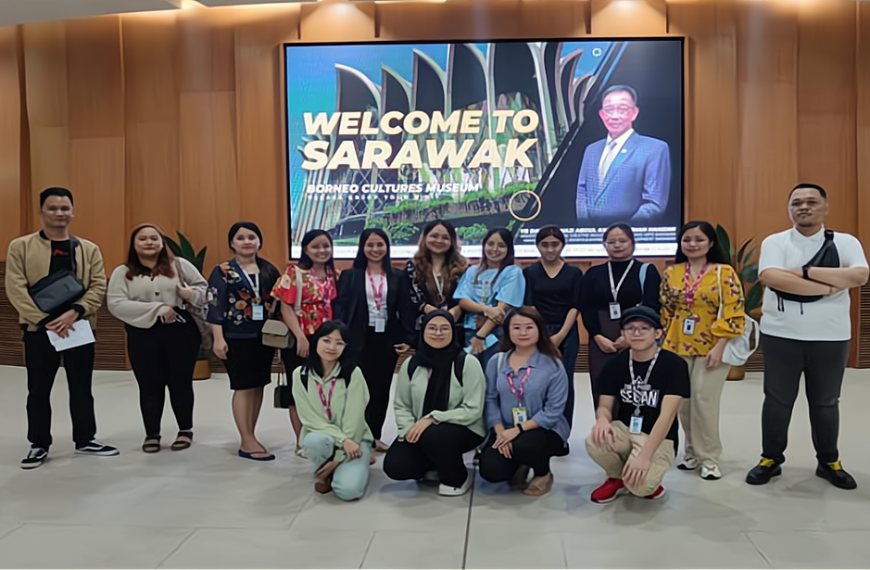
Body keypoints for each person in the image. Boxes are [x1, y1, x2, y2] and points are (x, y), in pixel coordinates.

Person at [746, 183, 868, 490]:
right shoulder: (776, 241)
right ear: (789, 209)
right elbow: (771, 277)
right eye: (797, 202)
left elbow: (858, 276)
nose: (804, 207)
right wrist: (828, 286)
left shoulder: (846, 241)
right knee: (776, 401)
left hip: (831, 336)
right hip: (781, 335)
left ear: (825, 207)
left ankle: (829, 461)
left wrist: (802, 272)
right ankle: (770, 459)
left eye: (812, 202)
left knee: (826, 402)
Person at [5, 187, 119, 469]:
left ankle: (85, 439)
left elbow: (97, 286)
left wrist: (75, 312)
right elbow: (15, 288)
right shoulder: (21, 246)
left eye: (64, 208)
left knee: (81, 387)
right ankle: (39, 443)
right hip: (39, 329)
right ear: (42, 212)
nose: (59, 213)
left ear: (73, 211)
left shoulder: (88, 249)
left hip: (77, 326)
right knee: (38, 389)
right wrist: (44, 321)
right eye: (53, 208)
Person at [107, 224, 205, 453]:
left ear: (162, 242)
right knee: (149, 385)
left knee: (180, 382)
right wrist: (158, 309)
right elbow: (116, 303)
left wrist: (191, 294)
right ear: (134, 244)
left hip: (181, 331)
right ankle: (152, 433)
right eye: (143, 239)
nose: (149, 242)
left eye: (154, 238)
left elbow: (205, 291)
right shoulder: (123, 272)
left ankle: (185, 430)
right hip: (142, 333)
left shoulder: (180, 265)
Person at [660, 221, 745, 481]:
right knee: (682, 403)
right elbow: (665, 310)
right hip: (675, 344)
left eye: (699, 239)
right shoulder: (671, 272)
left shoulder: (724, 272)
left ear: (710, 243)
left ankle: (709, 458)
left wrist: (720, 345)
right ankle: (692, 453)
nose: (692, 244)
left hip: (712, 345)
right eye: (687, 239)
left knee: (704, 401)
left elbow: (734, 309)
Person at [586, 306, 690, 503]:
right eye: (631, 328)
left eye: (644, 328)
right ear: (623, 334)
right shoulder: (615, 364)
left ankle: (638, 477)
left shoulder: (674, 365)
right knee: (595, 440)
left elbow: (666, 416)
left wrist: (645, 456)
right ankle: (617, 478)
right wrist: (602, 420)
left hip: (658, 436)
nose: (637, 333)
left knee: (641, 488)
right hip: (626, 428)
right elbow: (605, 406)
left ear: (658, 333)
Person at [383, 310, 486, 496]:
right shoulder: (412, 363)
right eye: (432, 328)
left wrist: (433, 418)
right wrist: (408, 431)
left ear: (453, 332)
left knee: (436, 436)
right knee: (396, 466)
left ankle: (457, 478)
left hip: (465, 427)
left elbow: (473, 410)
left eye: (444, 328)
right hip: (422, 430)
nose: (438, 333)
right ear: (423, 331)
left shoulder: (467, 362)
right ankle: (434, 464)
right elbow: (401, 404)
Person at [334, 228, 415, 452]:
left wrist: (409, 338)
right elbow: (340, 307)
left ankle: (374, 435)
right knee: (357, 388)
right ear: (362, 247)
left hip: (387, 338)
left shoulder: (397, 275)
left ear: (387, 247)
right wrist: (339, 336)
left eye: (380, 244)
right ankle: (355, 434)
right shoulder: (351, 275)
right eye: (370, 245)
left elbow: (406, 309)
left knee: (381, 389)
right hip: (358, 338)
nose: (375, 249)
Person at [206, 221, 281, 461]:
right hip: (235, 337)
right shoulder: (223, 271)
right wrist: (217, 338)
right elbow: (214, 306)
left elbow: (278, 306)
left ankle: (251, 433)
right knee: (243, 386)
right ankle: (246, 439)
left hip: (264, 337)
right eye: (241, 238)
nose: (247, 241)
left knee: (258, 385)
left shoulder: (270, 270)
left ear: (259, 241)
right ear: (232, 243)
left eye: (252, 237)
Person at [478, 307, 570, 496]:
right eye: (516, 328)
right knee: (491, 470)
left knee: (526, 443)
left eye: (529, 327)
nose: (523, 333)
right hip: (506, 429)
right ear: (508, 331)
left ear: (539, 330)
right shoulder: (497, 361)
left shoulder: (553, 364)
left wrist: (517, 430)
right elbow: (490, 399)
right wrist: (501, 432)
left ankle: (543, 473)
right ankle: (521, 462)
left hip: (545, 430)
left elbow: (553, 410)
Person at [272, 229, 338, 457]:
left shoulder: (332, 273)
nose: (322, 251)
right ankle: (301, 442)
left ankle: (323, 436)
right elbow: (285, 307)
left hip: (327, 341)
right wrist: (300, 336)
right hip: (300, 339)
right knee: (299, 390)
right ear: (306, 249)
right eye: (316, 246)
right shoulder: (295, 272)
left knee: (324, 389)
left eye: (326, 246)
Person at [580, 223, 661, 410]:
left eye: (622, 241)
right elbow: (586, 307)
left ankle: (634, 431)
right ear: (604, 244)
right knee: (602, 384)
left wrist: (628, 337)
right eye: (612, 241)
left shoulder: (646, 271)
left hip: (637, 333)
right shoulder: (593, 273)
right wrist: (597, 336)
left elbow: (652, 305)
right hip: (601, 336)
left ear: (633, 243)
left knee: (635, 384)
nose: (617, 245)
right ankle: (606, 431)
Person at [292, 321, 373, 501]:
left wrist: (339, 457)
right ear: (316, 341)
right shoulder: (301, 375)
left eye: (339, 343)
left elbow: (355, 419)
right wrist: (341, 440)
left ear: (346, 347)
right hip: (327, 439)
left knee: (348, 491)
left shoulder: (353, 373)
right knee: (314, 440)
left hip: (354, 439)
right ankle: (324, 468)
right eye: (327, 340)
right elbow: (310, 419)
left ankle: (342, 466)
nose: (332, 347)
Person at [575, 85, 671, 225]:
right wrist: (586, 229)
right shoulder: (592, 150)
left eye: (622, 109)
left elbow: (654, 203)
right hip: (592, 238)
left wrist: (622, 233)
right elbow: (582, 192)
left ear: (634, 113)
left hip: (629, 239)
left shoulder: (654, 149)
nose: (614, 116)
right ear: (602, 114)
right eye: (609, 109)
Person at [523, 225, 583, 426]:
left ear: (562, 245)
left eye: (555, 244)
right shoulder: (529, 272)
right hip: (537, 332)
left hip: (567, 331)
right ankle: (539, 426)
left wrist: (560, 335)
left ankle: (562, 432)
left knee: (564, 380)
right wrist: (544, 336)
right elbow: (529, 305)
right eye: (545, 245)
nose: (550, 249)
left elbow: (575, 306)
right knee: (537, 380)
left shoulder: (574, 273)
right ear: (538, 246)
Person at [454, 228, 526, 367]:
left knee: (493, 380)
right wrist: (487, 309)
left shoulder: (512, 272)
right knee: (471, 379)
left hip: (496, 334)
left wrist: (480, 336)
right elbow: (463, 300)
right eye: (490, 244)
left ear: (509, 249)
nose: (495, 249)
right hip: (469, 331)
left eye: (501, 245)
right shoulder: (472, 271)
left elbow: (501, 310)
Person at [406, 219, 467, 327]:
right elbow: (411, 296)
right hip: (423, 328)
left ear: (452, 241)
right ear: (425, 238)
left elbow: (467, 295)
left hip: (454, 327)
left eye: (445, 238)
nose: (439, 241)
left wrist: (458, 310)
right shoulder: (413, 266)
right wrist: (433, 312)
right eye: (434, 236)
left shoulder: (463, 268)